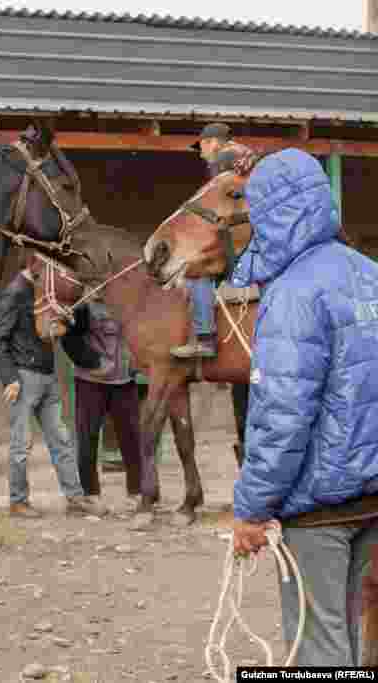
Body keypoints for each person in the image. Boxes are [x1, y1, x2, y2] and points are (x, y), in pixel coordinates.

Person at [230, 148, 378, 666]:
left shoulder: (292, 293)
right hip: (371, 498)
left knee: (319, 650)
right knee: (354, 640)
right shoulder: (370, 274)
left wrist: (252, 508)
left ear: (271, 216)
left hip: (318, 508)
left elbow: (281, 416)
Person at [0, 266, 107, 518]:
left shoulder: (44, 290)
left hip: (47, 375)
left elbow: (48, 328)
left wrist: (67, 320)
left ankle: (75, 499)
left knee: (61, 440)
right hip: (23, 378)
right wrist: (9, 378)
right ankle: (18, 502)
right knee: (21, 445)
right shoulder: (14, 294)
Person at [172, 122, 245, 359]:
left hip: (245, 242)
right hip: (259, 236)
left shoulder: (223, 159)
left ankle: (205, 338)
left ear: (212, 142)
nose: (201, 153)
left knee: (197, 274)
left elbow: (220, 211)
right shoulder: (245, 156)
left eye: (201, 146)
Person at [71, 301, 141, 503]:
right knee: (87, 436)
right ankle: (90, 493)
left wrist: (136, 363)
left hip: (124, 379)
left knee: (131, 436)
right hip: (90, 380)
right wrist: (92, 361)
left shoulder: (127, 299)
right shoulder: (83, 304)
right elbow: (71, 339)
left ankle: (136, 491)